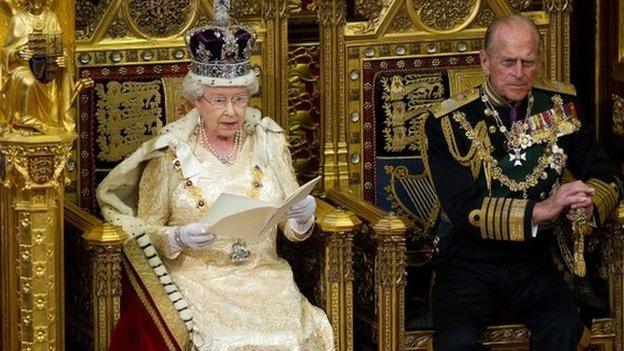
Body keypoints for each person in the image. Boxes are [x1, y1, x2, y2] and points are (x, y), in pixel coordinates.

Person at [95, 2, 334, 350]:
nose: (232, 111)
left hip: (266, 278)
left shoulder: (270, 141)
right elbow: (143, 230)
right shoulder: (170, 151)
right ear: (197, 101)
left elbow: (291, 227)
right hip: (197, 281)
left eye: (239, 99)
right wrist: (177, 237)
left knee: (288, 339)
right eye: (219, 100)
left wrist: (303, 217)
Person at [424, 15, 622, 350]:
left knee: (563, 327)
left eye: (528, 62)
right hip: (466, 261)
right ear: (485, 62)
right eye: (508, 62)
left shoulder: (559, 108)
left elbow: (608, 175)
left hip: (534, 259)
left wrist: (587, 204)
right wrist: (542, 210)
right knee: (456, 342)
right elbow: (464, 209)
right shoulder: (448, 122)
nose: (520, 72)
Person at [1, 0, 74, 135]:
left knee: (49, 80)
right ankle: (24, 122)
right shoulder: (18, 19)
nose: (36, 2)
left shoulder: (51, 17)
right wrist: (17, 53)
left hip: (48, 67)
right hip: (23, 68)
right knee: (28, 82)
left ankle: (50, 123)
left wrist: (63, 57)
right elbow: (5, 51)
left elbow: (60, 46)